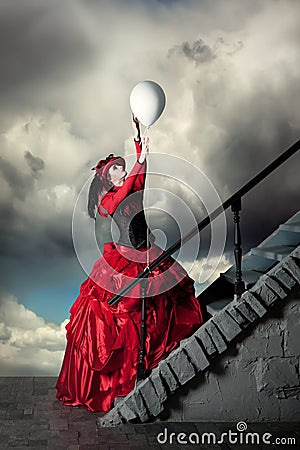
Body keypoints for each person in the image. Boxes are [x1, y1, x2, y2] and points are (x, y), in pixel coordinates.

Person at [55, 115, 203, 413]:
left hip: (147, 251)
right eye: (115, 169)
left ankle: (152, 359)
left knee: (161, 302)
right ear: (108, 179)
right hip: (123, 257)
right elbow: (127, 189)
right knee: (120, 313)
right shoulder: (108, 200)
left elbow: (140, 174)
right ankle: (122, 380)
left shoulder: (133, 187)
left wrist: (138, 140)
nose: (121, 170)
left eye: (121, 166)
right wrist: (137, 163)